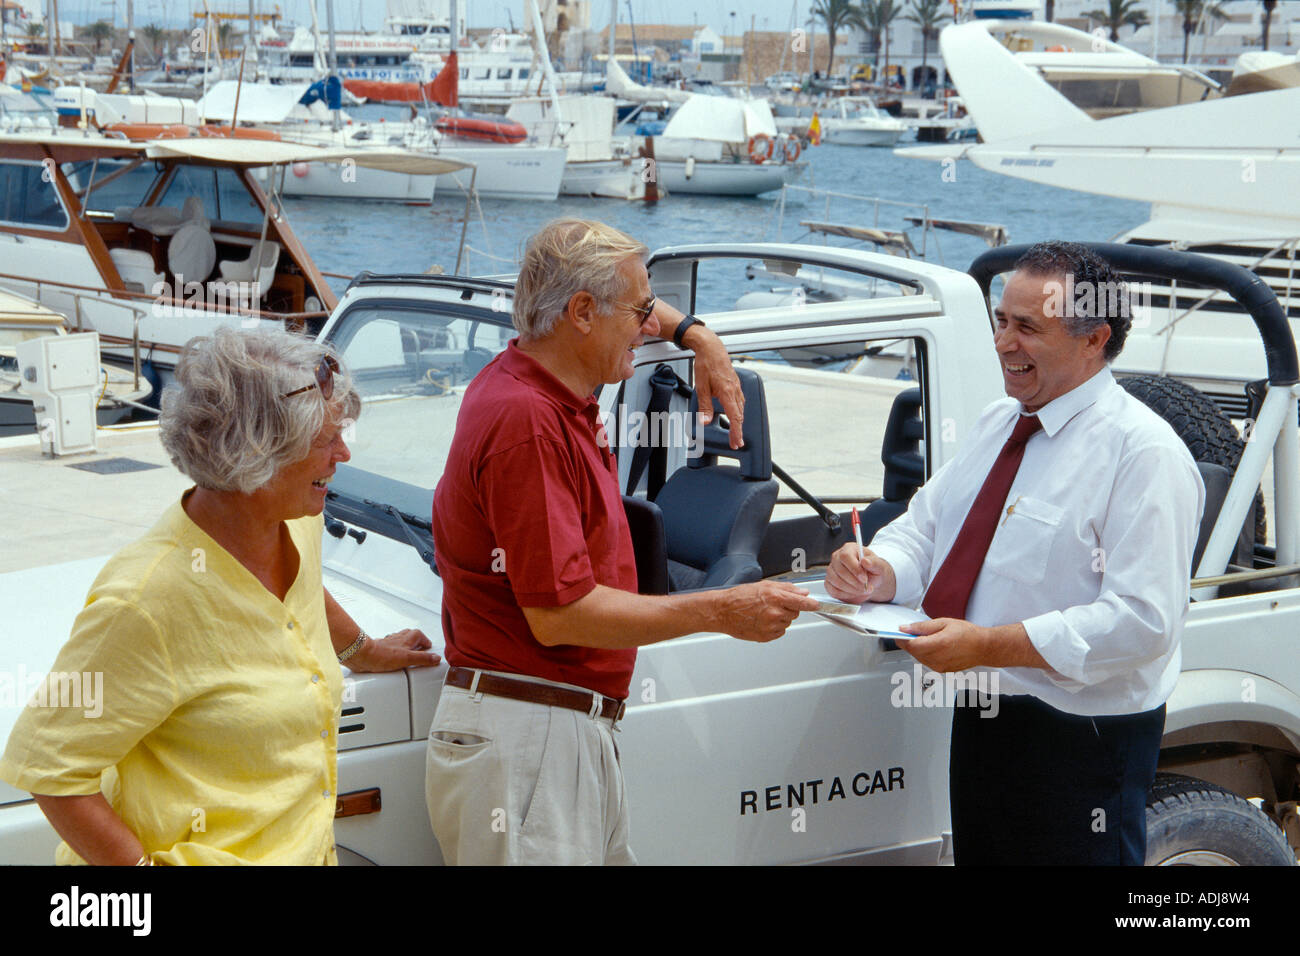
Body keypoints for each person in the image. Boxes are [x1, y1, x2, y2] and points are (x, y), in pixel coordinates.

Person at [426, 218, 819, 865]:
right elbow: (558, 615)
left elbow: (624, 299)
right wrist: (723, 610)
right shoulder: (530, 421)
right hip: (532, 740)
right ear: (582, 313)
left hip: (545, 732)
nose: (647, 325)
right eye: (639, 313)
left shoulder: (538, 382)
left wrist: (699, 337)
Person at [825, 241, 1205, 865]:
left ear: (1093, 339)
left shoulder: (1143, 455)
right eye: (1002, 321)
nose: (1003, 343)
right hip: (987, 718)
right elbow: (926, 529)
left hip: (1082, 742)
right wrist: (878, 571)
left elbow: (1144, 622)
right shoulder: (998, 423)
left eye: (1028, 327)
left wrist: (988, 645)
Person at [0, 327, 439, 865]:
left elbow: (302, 591)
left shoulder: (293, 523)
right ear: (259, 456)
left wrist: (361, 650)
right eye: (326, 441)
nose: (343, 453)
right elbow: (49, 766)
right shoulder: (145, 601)